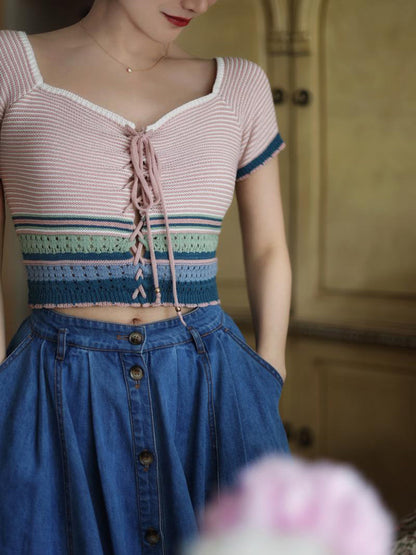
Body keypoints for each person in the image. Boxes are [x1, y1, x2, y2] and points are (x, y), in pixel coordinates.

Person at [0, 0, 292, 553]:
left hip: (212, 380)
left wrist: (268, 368)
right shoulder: (11, 67)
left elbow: (270, 246)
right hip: (52, 379)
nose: (197, 3)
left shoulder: (240, 87)